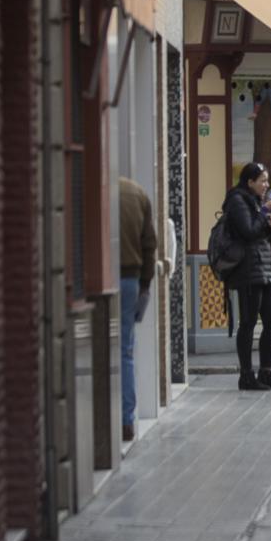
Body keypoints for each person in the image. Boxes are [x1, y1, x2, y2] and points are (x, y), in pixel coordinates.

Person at [224, 162, 271, 391]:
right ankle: (246, 376)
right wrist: (263, 213)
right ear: (249, 182)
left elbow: (265, 235)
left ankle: (266, 372)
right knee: (248, 322)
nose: (266, 185)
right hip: (247, 271)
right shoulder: (237, 200)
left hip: (265, 268)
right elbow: (248, 230)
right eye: (262, 181)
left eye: (267, 181)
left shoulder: (257, 202)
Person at [119, 177, 156, 442]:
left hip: (94, 279)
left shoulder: (88, 184)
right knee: (125, 351)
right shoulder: (137, 192)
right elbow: (149, 243)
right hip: (129, 278)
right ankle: (126, 421)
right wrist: (145, 283)